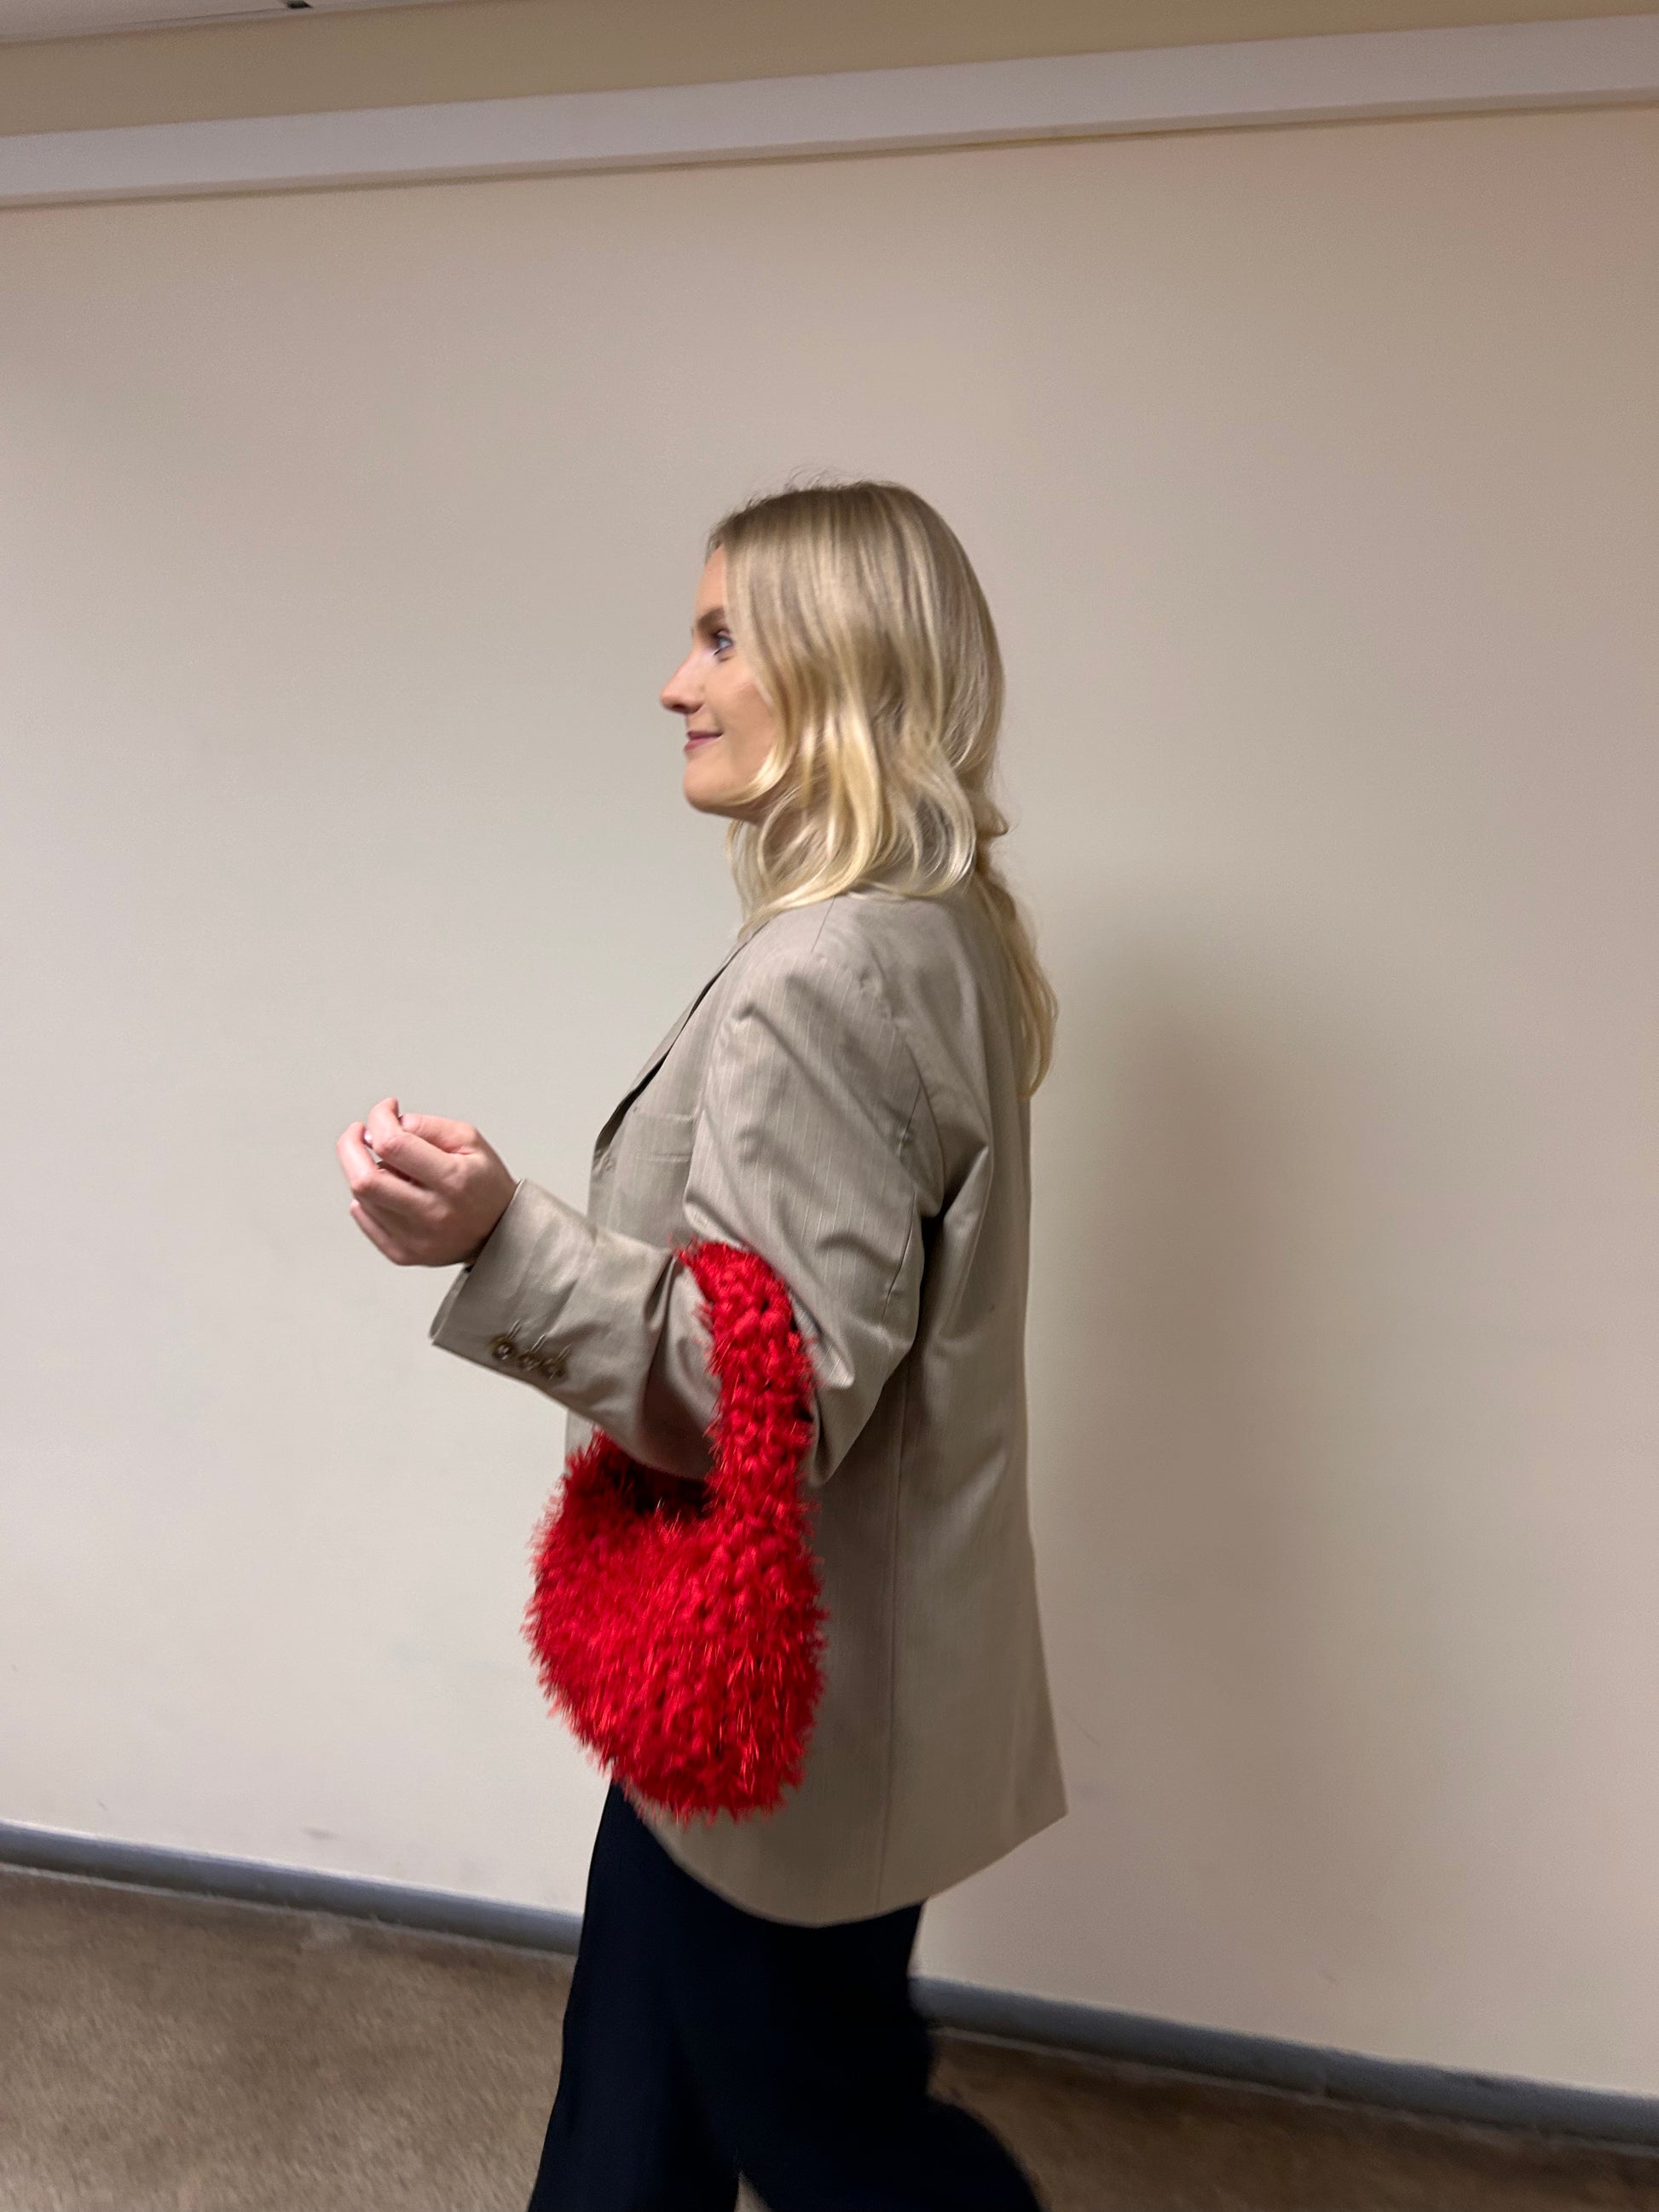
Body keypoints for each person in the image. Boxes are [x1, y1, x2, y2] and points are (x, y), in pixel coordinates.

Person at [336, 479, 1068, 2211]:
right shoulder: (942, 932)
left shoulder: (826, 972)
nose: (678, 678)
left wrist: (498, 1237)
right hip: (791, 1680)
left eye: (722, 633)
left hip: (780, 1689)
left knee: (827, 2128)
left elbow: (772, 1392)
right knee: (635, 2100)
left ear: (838, 663)